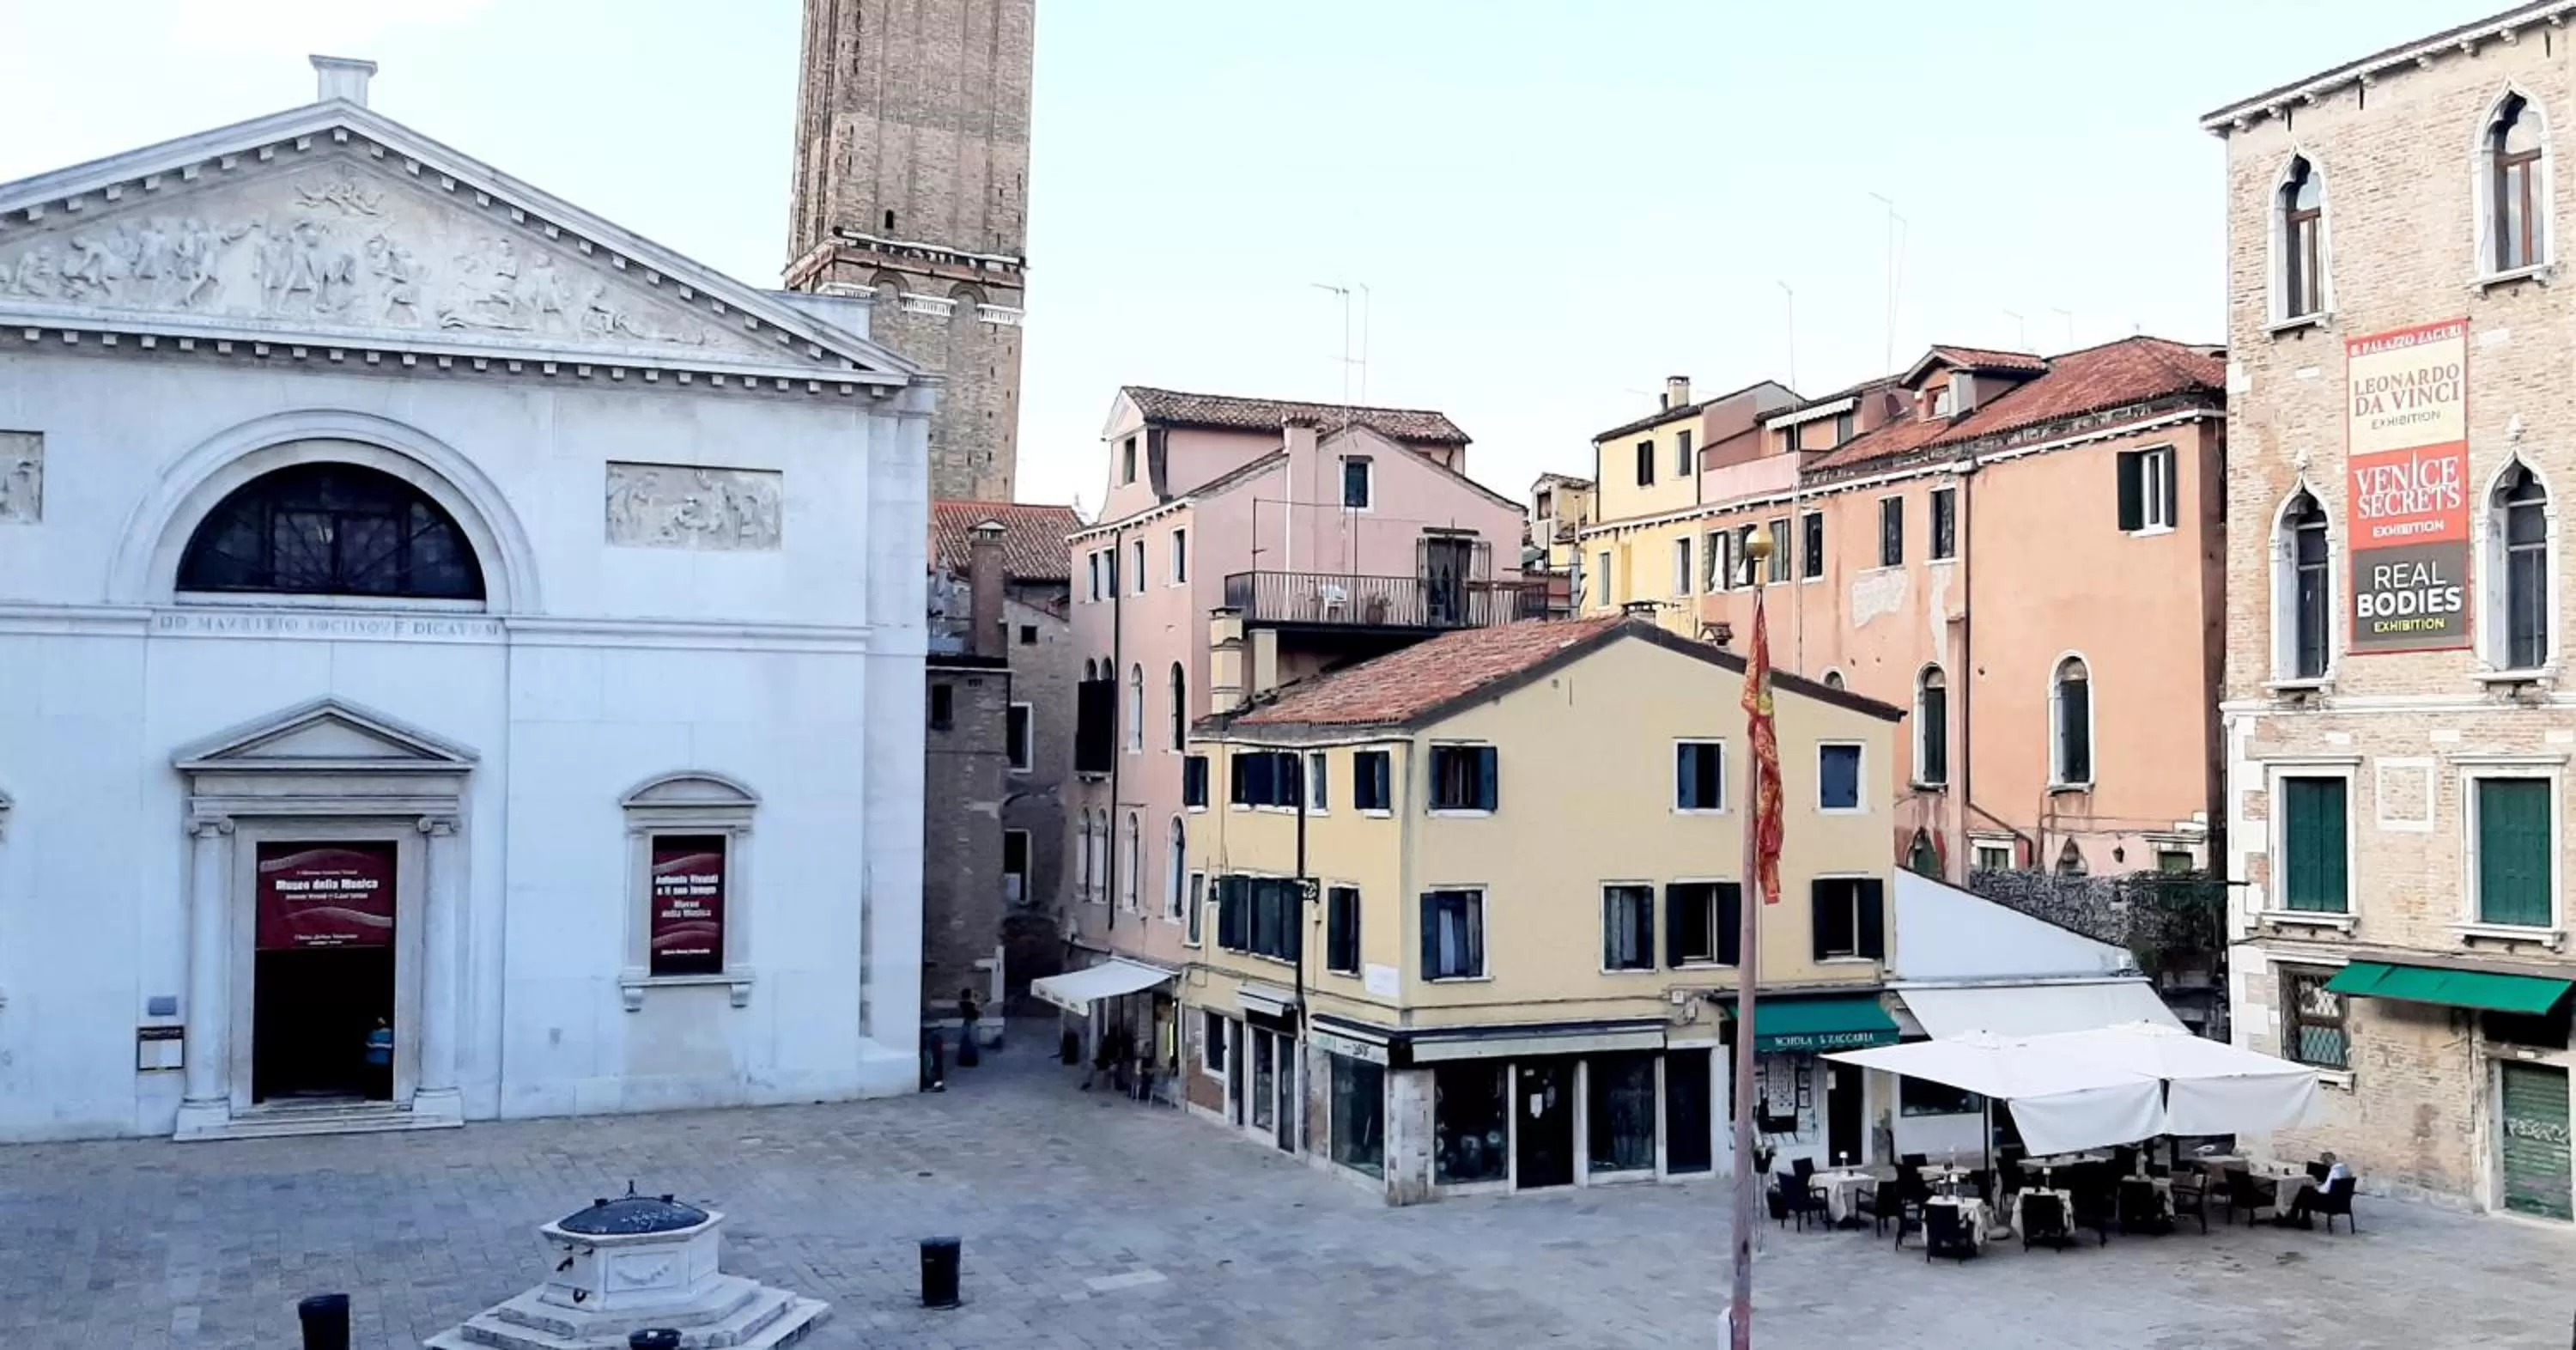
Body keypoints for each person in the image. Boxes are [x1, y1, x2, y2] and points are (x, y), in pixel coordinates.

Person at [2288, 1152, 2350, 1226]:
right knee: (2307, 1190)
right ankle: (2301, 1218)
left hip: (2330, 1201)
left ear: (2328, 1160)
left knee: (2305, 1191)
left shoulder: (2334, 1171)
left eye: (2324, 1162)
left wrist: (2316, 1186)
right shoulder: (2345, 1168)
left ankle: (2296, 1218)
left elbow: (2325, 1190)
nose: (2325, 1165)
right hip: (2341, 1201)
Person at [363, 1018, 394, 1099]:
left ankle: (383, 1095)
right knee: (373, 1078)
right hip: (372, 1059)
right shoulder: (373, 1032)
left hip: (384, 1060)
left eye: (382, 1020)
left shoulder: (391, 1033)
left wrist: (377, 1045)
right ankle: (373, 1095)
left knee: (383, 1078)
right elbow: (367, 1043)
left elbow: (391, 1046)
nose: (380, 1022)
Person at [956, 988, 982, 1068]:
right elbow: (978, 1013)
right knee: (973, 1042)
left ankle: (963, 1061)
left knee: (965, 1041)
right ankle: (971, 1061)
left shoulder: (962, 1003)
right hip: (972, 1023)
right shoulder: (972, 1004)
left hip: (966, 1023)